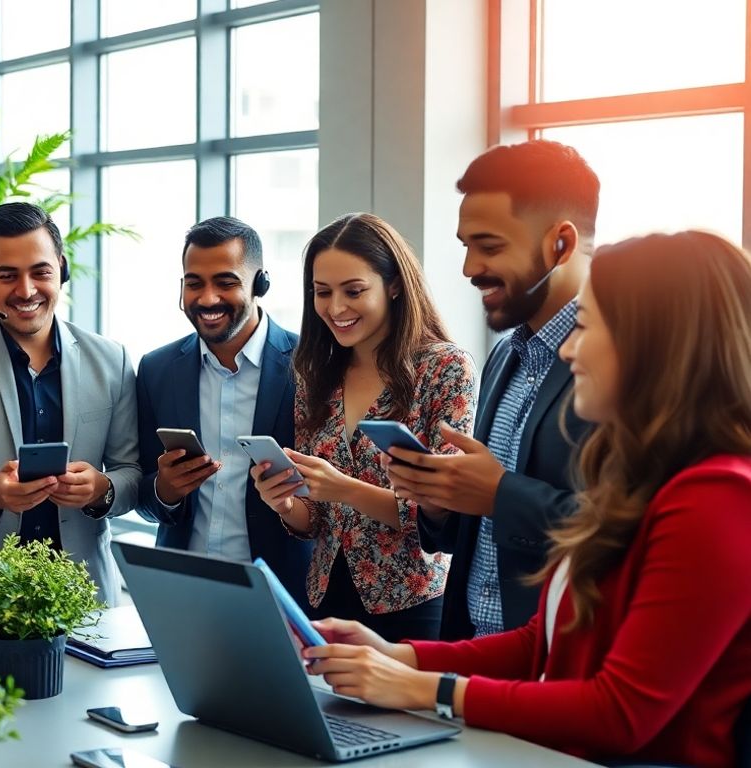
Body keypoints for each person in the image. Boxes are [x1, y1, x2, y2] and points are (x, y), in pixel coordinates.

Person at [301, 231, 751, 768]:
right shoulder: (632, 479)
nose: (567, 349)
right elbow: (540, 644)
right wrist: (397, 655)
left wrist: (425, 690)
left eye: (586, 326)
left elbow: (621, 712)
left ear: (654, 343)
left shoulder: (718, 497)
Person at [386, 140, 595, 639]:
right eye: (465, 246)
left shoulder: (613, 363)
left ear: (560, 245)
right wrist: (440, 501)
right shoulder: (504, 355)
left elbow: (623, 529)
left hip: (555, 664)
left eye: (490, 246)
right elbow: (477, 532)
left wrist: (501, 493)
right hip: (475, 656)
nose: (469, 268)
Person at [251, 213, 474, 642]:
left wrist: (343, 488)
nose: (335, 308)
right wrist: (283, 503)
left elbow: (444, 511)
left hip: (412, 601)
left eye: (354, 291)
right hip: (324, 596)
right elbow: (314, 520)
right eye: (322, 292)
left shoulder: (444, 368)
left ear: (393, 285)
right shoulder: (316, 373)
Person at [0, 202, 141, 615]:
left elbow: (133, 475)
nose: (26, 290)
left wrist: (101, 490)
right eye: (7, 275)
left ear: (61, 269)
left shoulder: (112, 360)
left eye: (40, 272)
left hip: (81, 596)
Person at [135, 216, 312, 605]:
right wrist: (164, 490)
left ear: (259, 284)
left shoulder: (311, 367)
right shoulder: (156, 369)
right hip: (183, 592)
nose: (208, 298)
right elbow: (144, 492)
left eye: (226, 282)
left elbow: (329, 502)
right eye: (194, 283)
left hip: (284, 593)